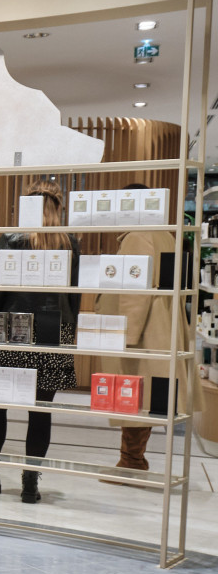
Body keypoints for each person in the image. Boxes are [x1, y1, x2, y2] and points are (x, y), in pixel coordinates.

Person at [0, 180, 79, 504]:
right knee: (41, 410)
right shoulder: (69, 242)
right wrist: (70, 332)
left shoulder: (13, 238)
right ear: (58, 206)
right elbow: (75, 295)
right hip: (55, 331)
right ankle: (29, 482)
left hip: (13, 327)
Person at [94, 183, 187, 477]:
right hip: (160, 327)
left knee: (132, 396)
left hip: (141, 330)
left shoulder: (137, 235)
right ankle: (134, 458)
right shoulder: (165, 233)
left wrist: (127, 336)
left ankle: (131, 461)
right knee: (144, 397)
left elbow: (134, 290)